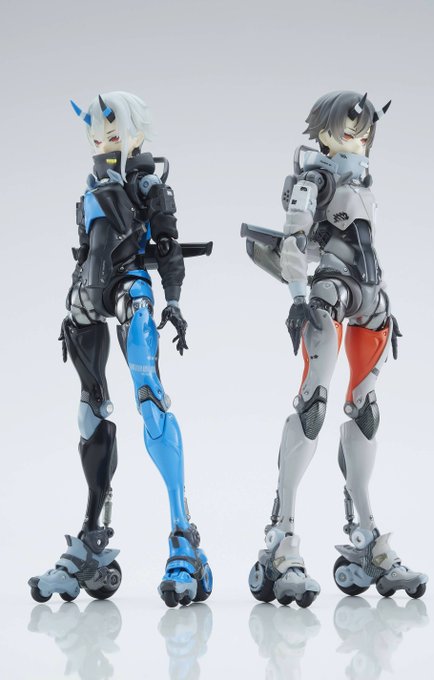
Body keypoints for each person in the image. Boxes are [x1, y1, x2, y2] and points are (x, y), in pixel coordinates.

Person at [242, 91, 427, 607]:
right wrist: (298, 297)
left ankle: (366, 535)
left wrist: (384, 300)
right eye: (348, 128)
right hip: (330, 293)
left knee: (365, 411)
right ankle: (281, 538)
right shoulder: (314, 180)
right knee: (313, 405)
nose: (357, 136)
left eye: (364, 131)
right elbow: (294, 239)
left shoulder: (363, 182)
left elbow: (367, 246)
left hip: (371, 299)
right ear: (323, 130)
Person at [29, 91, 212, 608]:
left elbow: (168, 249)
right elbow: (87, 251)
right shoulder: (89, 188)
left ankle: (183, 534)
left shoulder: (149, 186)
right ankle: (92, 534)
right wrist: (74, 302)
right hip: (87, 298)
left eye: (111, 127)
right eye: (94, 129)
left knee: (150, 399)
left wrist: (173, 303)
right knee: (90, 409)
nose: (102, 137)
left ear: (135, 131)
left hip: (132, 289)